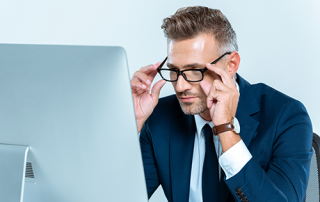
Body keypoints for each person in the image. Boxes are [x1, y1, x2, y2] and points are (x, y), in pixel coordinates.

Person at [130, 6, 313, 202]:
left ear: (231, 64)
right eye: (174, 71)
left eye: (194, 71)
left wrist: (226, 129)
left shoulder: (286, 116)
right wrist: (130, 124)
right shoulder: (159, 117)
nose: (180, 86)